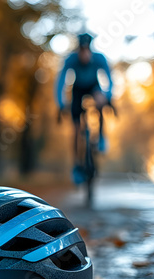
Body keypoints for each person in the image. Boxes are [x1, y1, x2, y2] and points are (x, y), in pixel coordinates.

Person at [55, 33, 113, 183]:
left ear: (90, 49)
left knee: (100, 99)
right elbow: (61, 82)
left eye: (87, 50)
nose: (84, 54)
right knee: (75, 128)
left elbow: (109, 79)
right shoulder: (71, 60)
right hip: (77, 89)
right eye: (82, 50)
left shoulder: (99, 59)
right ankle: (76, 165)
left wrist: (107, 96)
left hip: (93, 86)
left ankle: (100, 136)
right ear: (78, 50)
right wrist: (61, 103)